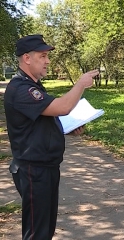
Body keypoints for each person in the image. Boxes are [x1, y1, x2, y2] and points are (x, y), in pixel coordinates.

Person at [4, 34, 99, 240]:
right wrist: (81, 84)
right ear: (27, 58)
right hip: (33, 170)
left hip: (45, 168)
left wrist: (67, 126)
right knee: (37, 233)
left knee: (45, 230)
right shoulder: (21, 89)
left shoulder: (34, 85)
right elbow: (62, 107)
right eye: (43, 56)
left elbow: (43, 118)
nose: (47, 61)